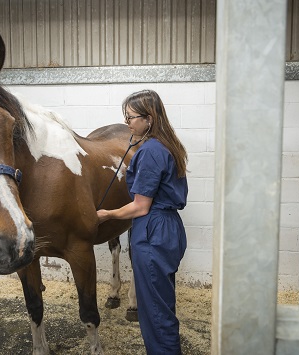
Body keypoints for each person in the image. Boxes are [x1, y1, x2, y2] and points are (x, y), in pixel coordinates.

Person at [97, 89, 188, 354]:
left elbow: (140, 206)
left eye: (131, 118)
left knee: (155, 314)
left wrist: (107, 215)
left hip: (153, 231)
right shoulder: (169, 145)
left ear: (149, 119)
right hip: (169, 229)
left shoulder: (149, 151)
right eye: (125, 117)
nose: (127, 123)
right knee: (162, 303)